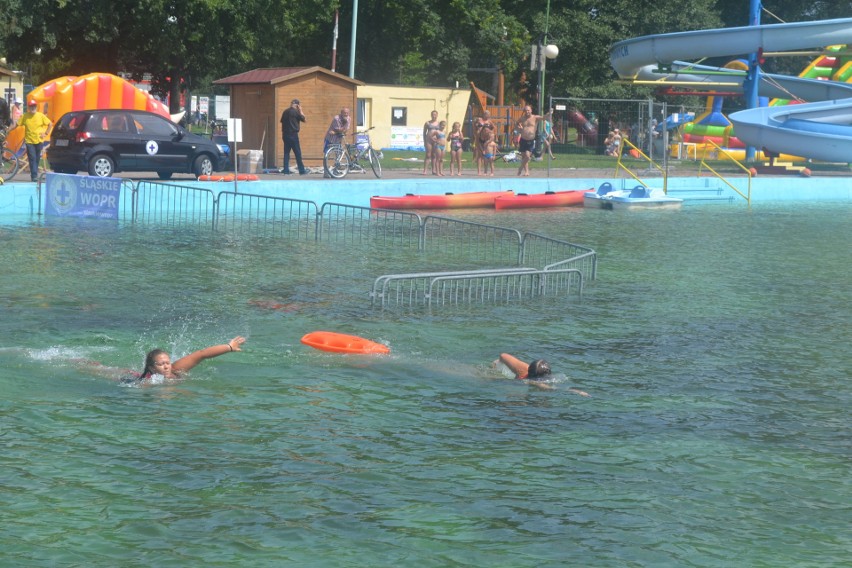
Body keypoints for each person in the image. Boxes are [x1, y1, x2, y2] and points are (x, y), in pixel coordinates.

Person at [131, 336, 247, 383]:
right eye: (161, 364)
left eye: (167, 363)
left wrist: (229, 347)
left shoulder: (176, 369)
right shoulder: (148, 382)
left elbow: (201, 354)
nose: (166, 367)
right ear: (152, 368)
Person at [497, 353, 590, 395]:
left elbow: (503, 355)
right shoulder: (536, 383)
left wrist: (496, 364)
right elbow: (556, 389)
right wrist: (578, 391)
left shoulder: (523, 368)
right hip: (517, 382)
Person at [20, 100, 53, 182]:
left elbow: (50, 124)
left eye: (34, 106)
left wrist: (45, 134)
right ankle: (34, 176)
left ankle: (34, 175)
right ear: (28, 107)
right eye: (31, 106)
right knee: (32, 158)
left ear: (36, 107)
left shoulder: (40, 116)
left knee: (37, 158)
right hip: (29, 141)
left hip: (39, 141)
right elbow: (16, 124)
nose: (33, 107)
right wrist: (8, 129)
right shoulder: (25, 116)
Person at [280, 98, 308, 175]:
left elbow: (282, 121)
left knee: (286, 153)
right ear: (297, 105)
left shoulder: (285, 111)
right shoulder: (296, 112)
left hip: (285, 134)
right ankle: (302, 171)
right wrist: (301, 110)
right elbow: (305, 120)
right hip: (293, 134)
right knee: (297, 153)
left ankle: (286, 171)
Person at [515, 105, 542, 176]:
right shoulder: (522, 118)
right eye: (526, 110)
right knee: (524, 157)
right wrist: (519, 127)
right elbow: (517, 123)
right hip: (523, 139)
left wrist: (549, 114)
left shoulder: (535, 117)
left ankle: (520, 168)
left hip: (530, 140)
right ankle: (527, 172)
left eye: (528, 110)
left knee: (527, 156)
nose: (527, 112)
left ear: (531, 110)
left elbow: (543, 117)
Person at [474, 111, 495, 176]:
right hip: (479, 137)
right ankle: (479, 171)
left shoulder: (489, 121)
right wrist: (476, 131)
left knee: (486, 155)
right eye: (486, 114)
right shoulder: (479, 120)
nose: (487, 115)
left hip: (486, 138)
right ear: (484, 114)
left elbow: (494, 127)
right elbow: (474, 125)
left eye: (488, 114)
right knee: (479, 155)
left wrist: (491, 132)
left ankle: (488, 171)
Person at [422, 110, 439, 175]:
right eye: (433, 114)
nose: (434, 116)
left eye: (435, 114)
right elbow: (424, 133)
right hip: (428, 140)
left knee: (434, 155)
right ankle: (425, 170)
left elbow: (440, 132)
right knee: (428, 155)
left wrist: (439, 140)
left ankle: (433, 170)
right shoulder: (427, 123)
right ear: (431, 115)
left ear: (437, 115)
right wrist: (424, 141)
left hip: (435, 140)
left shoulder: (439, 123)